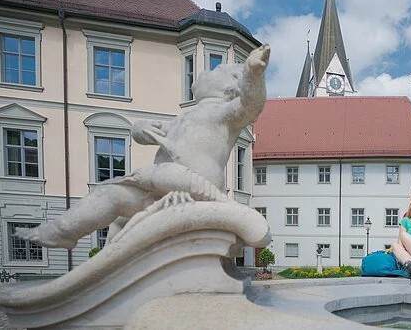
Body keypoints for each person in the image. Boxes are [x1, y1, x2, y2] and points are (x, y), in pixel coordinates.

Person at [16, 45, 271, 248]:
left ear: (230, 86)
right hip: (158, 187)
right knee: (110, 196)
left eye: (216, 69)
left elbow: (251, 105)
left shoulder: (224, 113)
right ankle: (63, 232)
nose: (205, 72)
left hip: (193, 186)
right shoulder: (183, 117)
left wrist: (253, 74)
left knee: (127, 192)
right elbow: (145, 133)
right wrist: (140, 128)